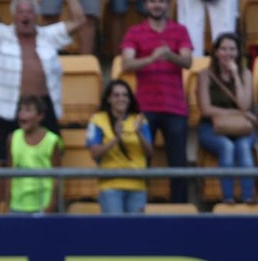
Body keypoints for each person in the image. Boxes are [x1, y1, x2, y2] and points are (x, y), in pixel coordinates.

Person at [0, 0, 87, 167]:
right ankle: (8, 193)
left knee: (53, 156)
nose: (25, 15)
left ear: (36, 16)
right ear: (14, 16)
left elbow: (79, 20)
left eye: (30, 12)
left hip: (44, 104)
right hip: (10, 104)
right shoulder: (2, 35)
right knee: (7, 159)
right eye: (21, 12)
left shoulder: (49, 35)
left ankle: (53, 192)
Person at [118, 0, 192, 203]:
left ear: (167, 5)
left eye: (161, 1)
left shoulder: (180, 30)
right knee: (141, 161)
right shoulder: (134, 31)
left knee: (178, 164)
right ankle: (137, 206)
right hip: (145, 108)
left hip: (175, 108)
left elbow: (188, 61)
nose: (157, 5)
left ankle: (180, 210)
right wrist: (152, 58)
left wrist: (170, 55)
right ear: (146, 5)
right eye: (152, 1)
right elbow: (126, 63)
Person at [195, 33, 257, 206]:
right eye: (223, 48)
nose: (227, 53)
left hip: (242, 128)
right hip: (211, 128)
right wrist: (236, 113)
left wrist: (236, 75)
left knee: (244, 146)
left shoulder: (245, 74)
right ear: (215, 52)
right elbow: (206, 109)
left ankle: (248, 197)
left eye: (232, 49)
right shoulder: (205, 75)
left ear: (238, 53)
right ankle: (227, 198)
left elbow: (245, 105)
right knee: (227, 146)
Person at [86, 79, 153, 214]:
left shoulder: (140, 120)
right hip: (111, 185)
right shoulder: (97, 120)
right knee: (115, 232)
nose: (121, 99)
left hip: (137, 185)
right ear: (109, 99)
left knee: (136, 232)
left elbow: (149, 152)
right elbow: (94, 153)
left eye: (125, 95)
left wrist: (139, 133)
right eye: (116, 95)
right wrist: (116, 138)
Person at [6, 94, 63, 214]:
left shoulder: (52, 141)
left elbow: (56, 176)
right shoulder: (12, 138)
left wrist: (52, 204)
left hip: (43, 205)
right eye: (20, 109)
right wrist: (6, 203)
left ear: (40, 116)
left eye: (28, 110)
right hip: (17, 205)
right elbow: (9, 174)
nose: (22, 114)